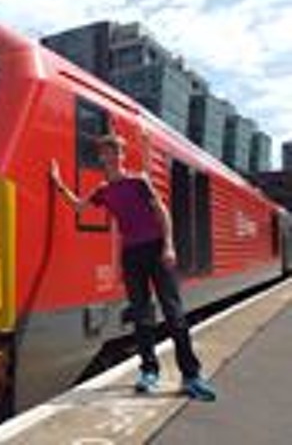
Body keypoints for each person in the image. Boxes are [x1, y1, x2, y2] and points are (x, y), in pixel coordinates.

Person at [50, 133, 216, 401]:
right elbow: (78, 207)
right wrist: (58, 183)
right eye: (105, 153)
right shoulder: (104, 191)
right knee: (141, 316)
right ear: (102, 158)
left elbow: (162, 212)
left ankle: (191, 376)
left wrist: (169, 246)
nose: (110, 157)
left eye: (114, 152)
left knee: (174, 314)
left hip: (155, 249)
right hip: (131, 254)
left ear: (121, 156)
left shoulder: (139, 181)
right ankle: (149, 372)